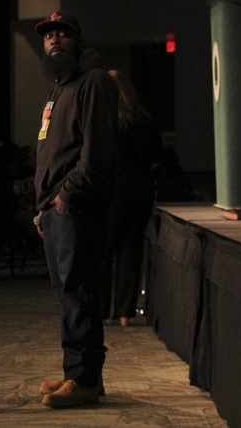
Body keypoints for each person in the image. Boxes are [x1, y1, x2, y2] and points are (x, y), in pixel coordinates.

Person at [33, 11, 118, 408]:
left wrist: (67, 196)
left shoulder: (93, 81)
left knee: (79, 292)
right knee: (67, 294)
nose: (54, 39)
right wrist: (43, 206)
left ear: (77, 40)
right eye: (49, 34)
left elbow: (96, 153)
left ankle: (84, 380)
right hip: (55, 209)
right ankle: (78, 373)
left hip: (77, 207)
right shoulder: (59, 86)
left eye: (62, 33)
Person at [100, 69, 162, 327]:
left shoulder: (106, 122)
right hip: (141, 192)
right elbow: (157, 157)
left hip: (112, 193)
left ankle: (103, 311)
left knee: (103, 252)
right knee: (130, 251)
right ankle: (126, 312)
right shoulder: (145, 120)